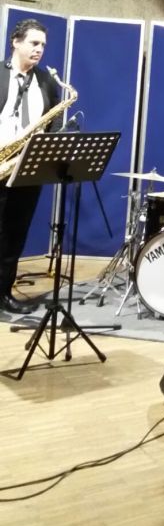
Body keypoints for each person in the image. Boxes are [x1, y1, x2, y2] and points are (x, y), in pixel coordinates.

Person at [0, 18, 62, 315]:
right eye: (33, 43)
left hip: (26, 169)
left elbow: (54, 123)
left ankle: (3, 293)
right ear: (15, 42)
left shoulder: (46, 81)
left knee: (15, 235)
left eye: (43, 45)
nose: (39, 50)